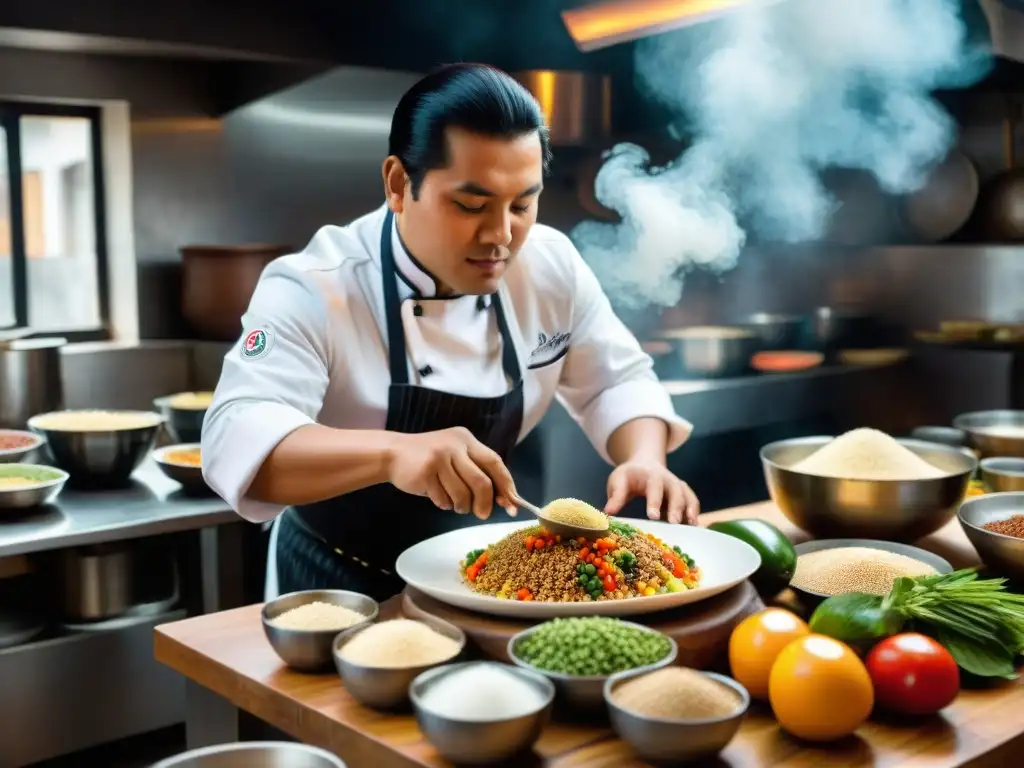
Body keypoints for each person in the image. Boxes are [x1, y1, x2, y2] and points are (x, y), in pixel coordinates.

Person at [201, 63, 698, 603]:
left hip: (493, 581)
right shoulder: (315, 286)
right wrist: (394, 453)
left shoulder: (550, 265)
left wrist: (644, 458)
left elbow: (614, 381)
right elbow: (235, 442)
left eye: (523, 204)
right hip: (341, 583)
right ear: (398, 183)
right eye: (470, 205)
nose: (501, 236)